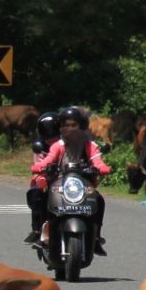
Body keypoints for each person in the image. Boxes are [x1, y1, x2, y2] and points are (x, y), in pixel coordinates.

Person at [28, 105, 112, 255]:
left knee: (99, 200)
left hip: (82, 183)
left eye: (74, 125)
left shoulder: (89, 145)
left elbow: (96, 159)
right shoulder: (57, 146)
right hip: (60, 183)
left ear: (82, 126)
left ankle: (97, 237)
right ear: (61, 127)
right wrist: (41, 167)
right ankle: (43, 232)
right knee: (44, 198)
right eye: (66, 125)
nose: (70, 128)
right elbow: (49, 159)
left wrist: (101, 167)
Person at [23, 111, 60, 243]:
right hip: (46, 176)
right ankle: (37, 229)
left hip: (66, 176)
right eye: (48, 137)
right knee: (37, 192)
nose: (51, 140)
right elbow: (38, 166)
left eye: (55, 135)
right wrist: (44, 175)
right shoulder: (39, 146)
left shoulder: (68, 142)